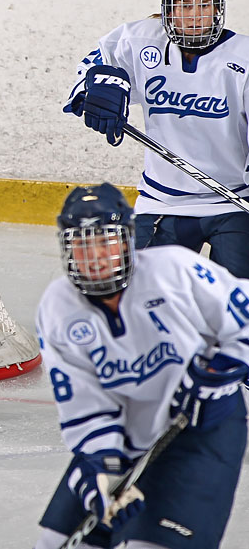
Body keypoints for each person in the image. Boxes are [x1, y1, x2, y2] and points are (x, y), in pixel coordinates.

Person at [32, 182, 249, 549]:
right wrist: (101, 471)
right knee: (54, 541)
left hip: (203, 430)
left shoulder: (173, 270)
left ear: (129, 239)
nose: (97, 256)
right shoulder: (58, 309)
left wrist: (222, 369)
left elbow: (242, 315)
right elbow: (85, 407)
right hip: (129, 430)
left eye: (106, 242)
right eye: (84, 246)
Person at [64, 0, 249, 279]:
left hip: (234, 202)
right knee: (141, 295)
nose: (194, 16)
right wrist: (94, 91)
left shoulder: (243, 58)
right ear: (167, 10)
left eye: (204, 5)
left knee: (239, 303)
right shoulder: (139, 41)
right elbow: (91, 68)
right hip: (162, 201)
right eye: (184, 6)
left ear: (218, 8)